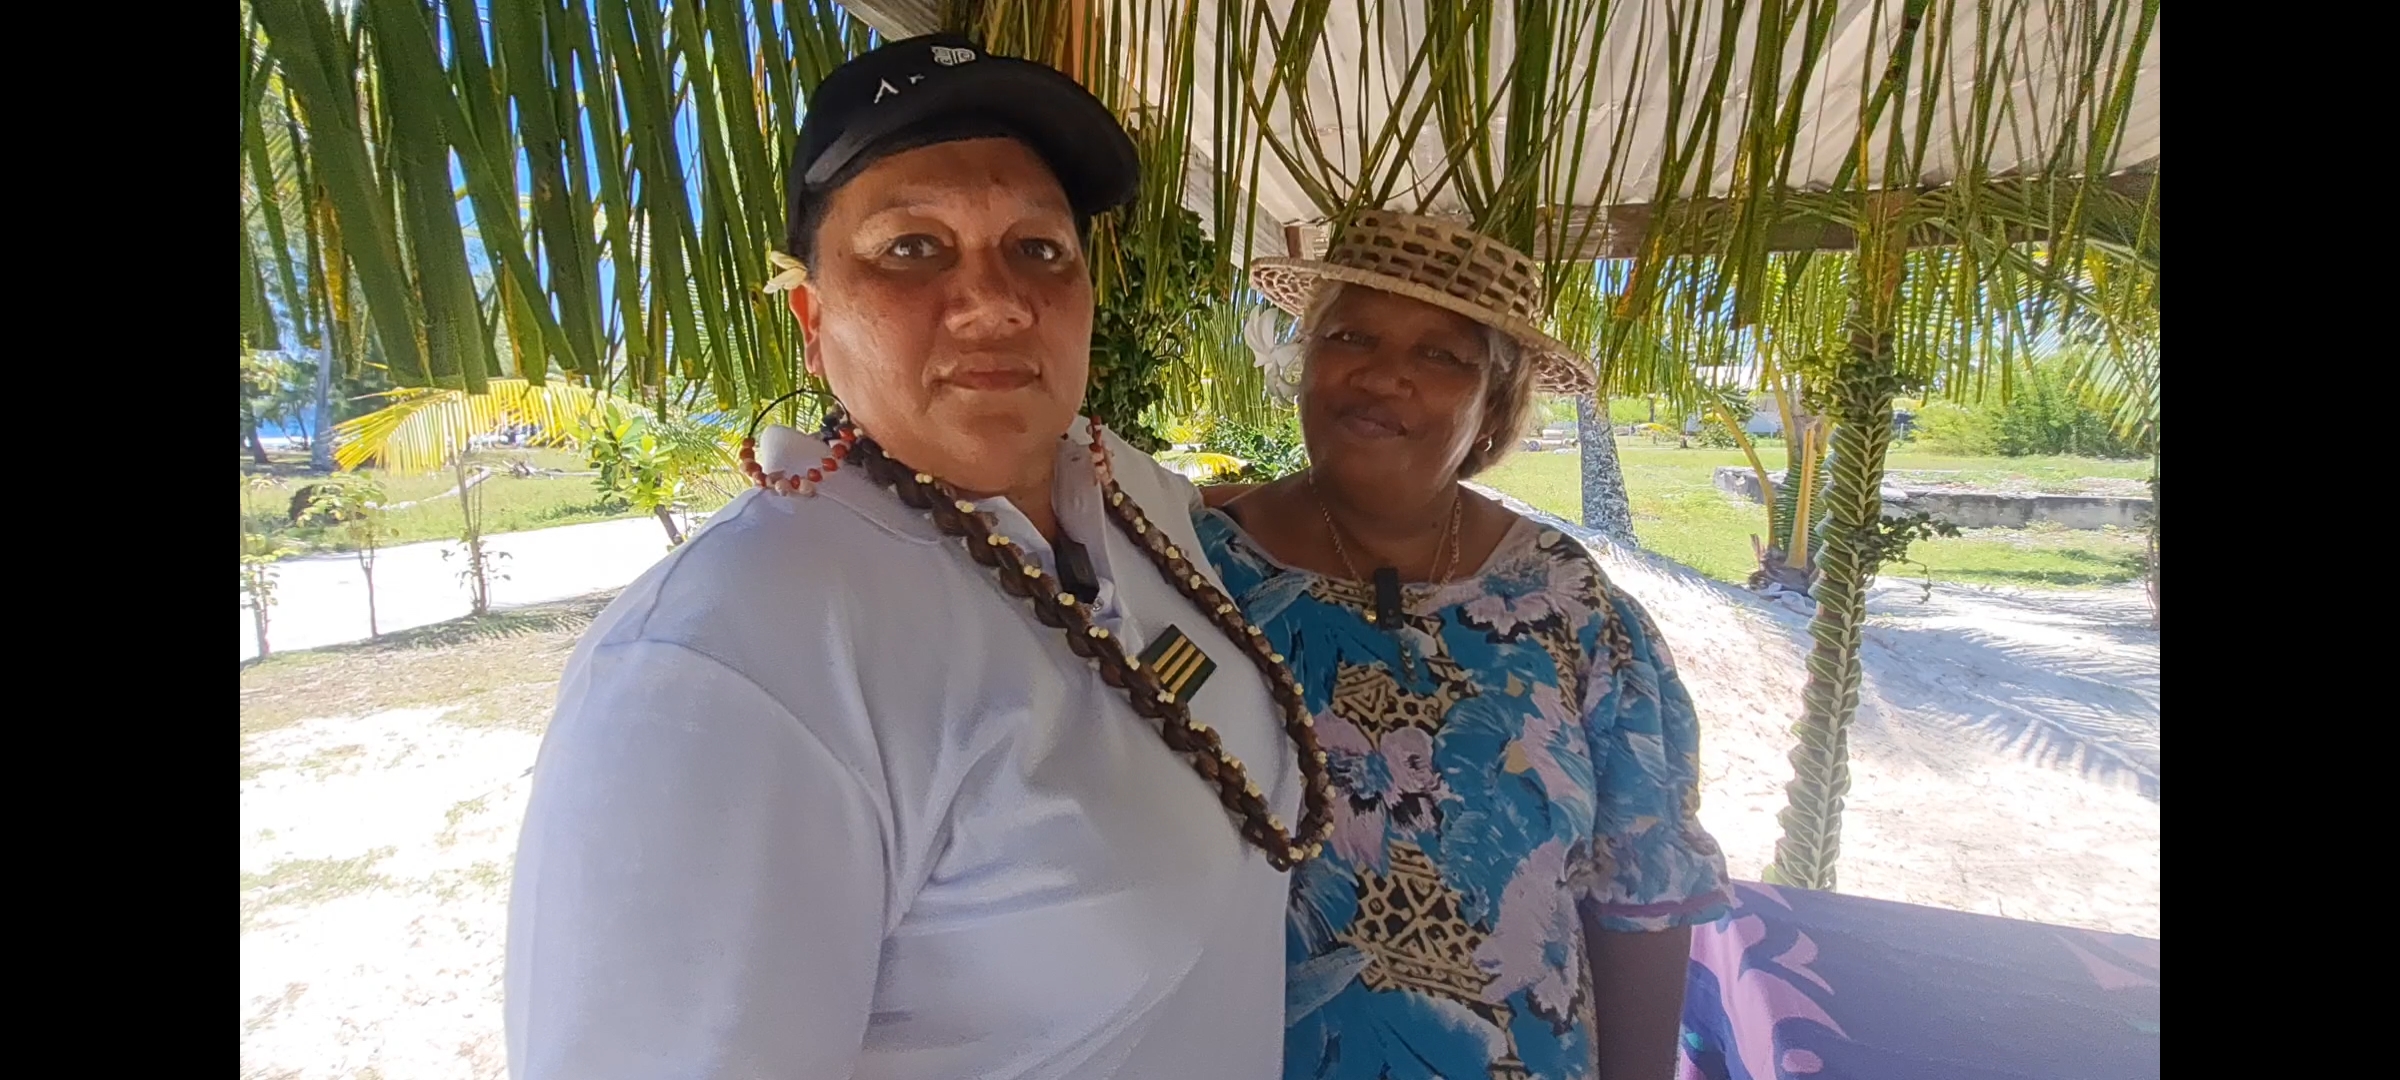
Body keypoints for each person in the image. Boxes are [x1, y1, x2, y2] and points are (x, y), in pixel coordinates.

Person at [505, 33, 1333, 1080]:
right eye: (910, 248)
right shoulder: (727, 661)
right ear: (814, 320)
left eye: (1039, 248)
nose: (995, 301)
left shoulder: (1118, 489)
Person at [1193, 210, 1733, 1080]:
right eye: (1349, 334)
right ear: (1305, 367)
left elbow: (1638, 893)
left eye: (1441, 355)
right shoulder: (1190, 568)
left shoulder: (1570, 604)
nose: (1381, 374)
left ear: (1495, 410)